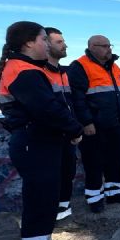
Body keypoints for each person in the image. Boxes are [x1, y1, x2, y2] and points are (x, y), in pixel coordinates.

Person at [0, 21, 83, 240]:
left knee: (44, 207)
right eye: (44, 39)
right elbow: (47, 109)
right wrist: (74, 129)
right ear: (29, 43)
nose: (47, 44)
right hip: (35, 144)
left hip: (39, 143)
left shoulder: (24, 68)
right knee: (38, 210)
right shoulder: (23, 71)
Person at [68, 35, 120, 212]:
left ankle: (114, 194)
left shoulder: (115, 66)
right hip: (95, 126)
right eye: (103, 46)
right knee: (94, 162)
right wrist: (86, 122)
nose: (108, 49)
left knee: (116, 159)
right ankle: (95, 199)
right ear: (92, 47)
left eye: (109, 45)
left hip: (116, 122)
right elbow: (77, 99)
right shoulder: (80, 66)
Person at [43, 27, 79, 227]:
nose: (65, 45)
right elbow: (47, 108)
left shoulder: (64, 72)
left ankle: (64, 217)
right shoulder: (39, 72)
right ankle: (49, 220)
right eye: (59, 42)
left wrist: (75, 128)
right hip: (50, 136)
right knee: (52, 179)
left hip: (68, 135)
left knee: (67, 175)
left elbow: (70, 103)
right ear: (46, 44)